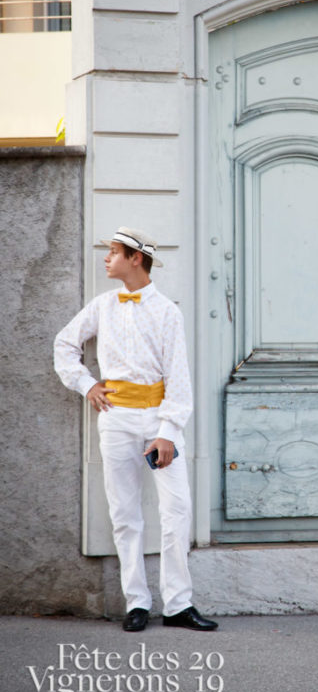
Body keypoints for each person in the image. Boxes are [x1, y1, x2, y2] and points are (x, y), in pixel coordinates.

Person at [54, 226, 217, 633]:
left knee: (177, 510)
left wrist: (168, 431)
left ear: (135, 259)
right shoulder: (103, 305)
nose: (106, 259)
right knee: (125, 512)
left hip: (160, 420)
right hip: (117, 420)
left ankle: (179, 605)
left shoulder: (167, 311)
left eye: (112, 252)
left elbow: (179, 376)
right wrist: (86, 383)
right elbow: (64, 344)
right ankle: (137, 602)